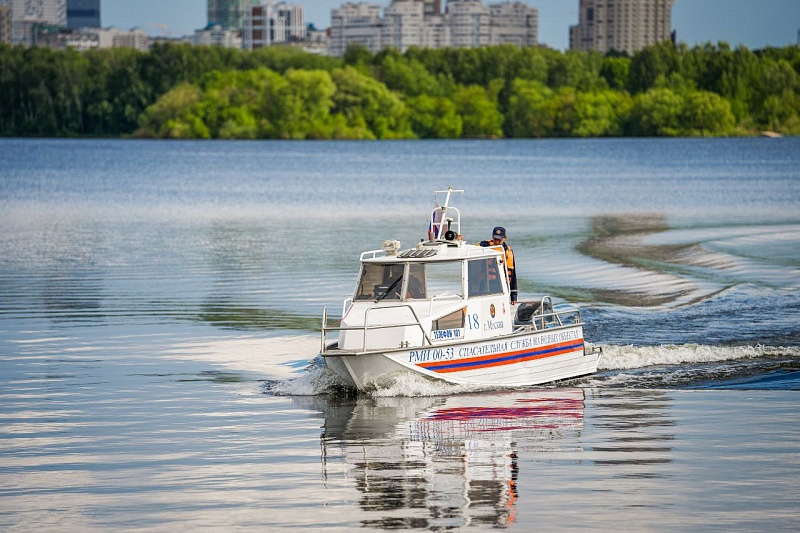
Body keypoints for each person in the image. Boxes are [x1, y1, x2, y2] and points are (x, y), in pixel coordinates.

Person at [479, 226, 518, 304]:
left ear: (504, 238)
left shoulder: (508, 251)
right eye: (495, 238)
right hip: (486, 285)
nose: (496, 241)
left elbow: (513, 274)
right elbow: (468, 247)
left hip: (502, 286)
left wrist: (514, 295)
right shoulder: (484, 246)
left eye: (499, 239)